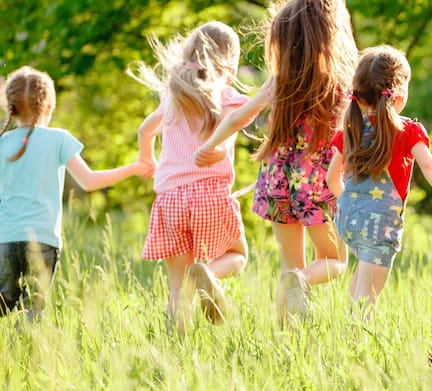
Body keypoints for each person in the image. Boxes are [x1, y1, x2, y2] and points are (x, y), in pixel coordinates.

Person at [194, 0, 357, 326]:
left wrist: (210, 144)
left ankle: (286, 334)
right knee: (334, 261)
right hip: (321, 182)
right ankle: (302, 284)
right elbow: (356, 136)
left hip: (278, 180)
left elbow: (241, 115)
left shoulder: (282, 78)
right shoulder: (343, 84)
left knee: (289, 264)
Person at [0, 66, 152, 320]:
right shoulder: (59, 139)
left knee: (3, 301)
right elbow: (90, 181)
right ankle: (25, 351)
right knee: (33, 311)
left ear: (11, 107)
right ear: (49, 107)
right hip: (44, 239)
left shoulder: (3, 143)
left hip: (4, 238)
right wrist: (134, 167)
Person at [133, 21, 250, 331]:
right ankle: (209, 273)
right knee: (237, 255)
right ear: (230, 65)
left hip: (169, 200)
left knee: (177, 287)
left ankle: (174, 347)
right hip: (209, 195)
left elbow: (146, 130)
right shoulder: (224, 95)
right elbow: (252, 113)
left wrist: (147, 158)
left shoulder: (172, 95)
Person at [326, 45, 432, 321]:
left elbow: (331, 178)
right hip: (380, 225)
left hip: (347, 220)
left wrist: (350, 205)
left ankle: (345, 338)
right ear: (399, 97)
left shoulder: (351, 129)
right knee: (368, 299)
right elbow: (429, 167)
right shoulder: (408, 131)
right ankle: (355, 346)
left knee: (360, 287)